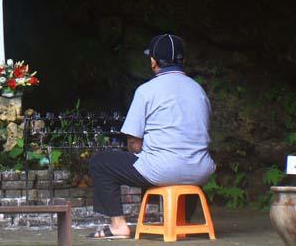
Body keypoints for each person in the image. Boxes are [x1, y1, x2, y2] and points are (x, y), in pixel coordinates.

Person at [89, 34, 216, 239]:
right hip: (200, 170)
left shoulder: (146, 91)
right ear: (182, 60)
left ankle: (117, 226)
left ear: (153, 61)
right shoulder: (198, 90)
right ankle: (181, 221)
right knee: (181, 165)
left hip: (163, 169)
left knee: (101, 162)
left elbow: (134, 142)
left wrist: (148, 153)